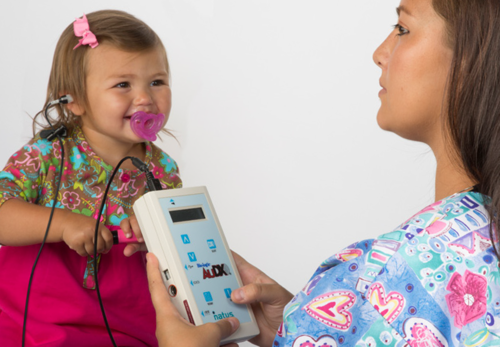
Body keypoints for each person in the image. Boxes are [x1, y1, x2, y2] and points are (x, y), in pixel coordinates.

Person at [146, 0, 500, 346]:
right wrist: (300, 330)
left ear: (472, 61)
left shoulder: (394, 274)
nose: (380, 52)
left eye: (403, 29)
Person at [0, 10, 182, 346]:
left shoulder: (163, 170)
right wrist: (64, 224)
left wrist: (150, 229)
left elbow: (178, 245)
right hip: (34, 314)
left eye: (157, 81)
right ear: (75, 100)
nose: (145, 98)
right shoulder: (48, 154)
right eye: (123, 84)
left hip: (123, 319)